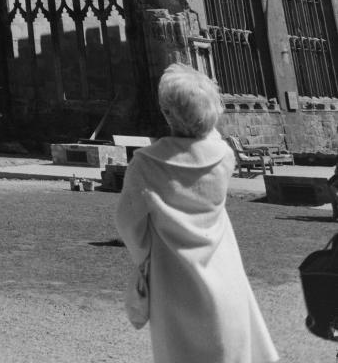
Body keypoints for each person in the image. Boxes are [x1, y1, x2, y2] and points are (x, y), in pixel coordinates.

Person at [114, 63, 278, 363]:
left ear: (167, 114)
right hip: (223, 267)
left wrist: (144, 255)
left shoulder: (147, 164)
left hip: (173, 276)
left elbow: (127, 223)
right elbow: (208, 136)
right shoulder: (223, 156)